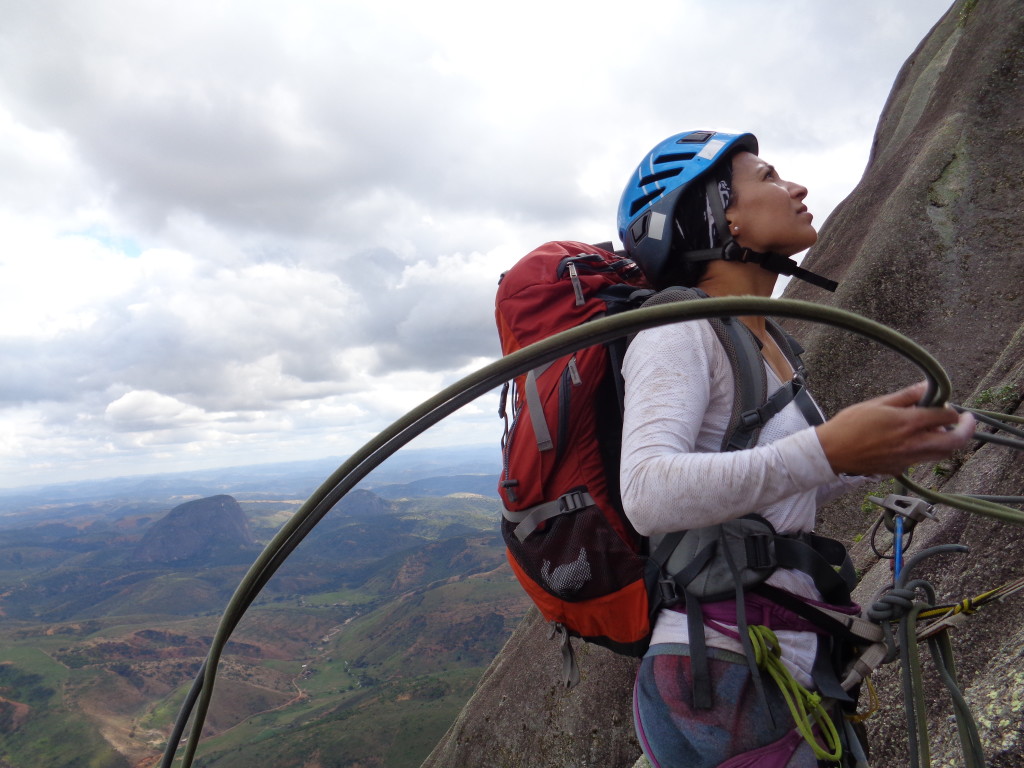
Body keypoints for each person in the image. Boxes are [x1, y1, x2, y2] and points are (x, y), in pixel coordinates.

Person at [616, 130, 975, 768]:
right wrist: (826, 450)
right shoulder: (678, 331)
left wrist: (880, 453)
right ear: (720, 214)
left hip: (776, 653)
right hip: (722, 673)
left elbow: (781, 490)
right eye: (769, 177)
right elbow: (646, 493)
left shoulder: (765, 339)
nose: (797, 188)